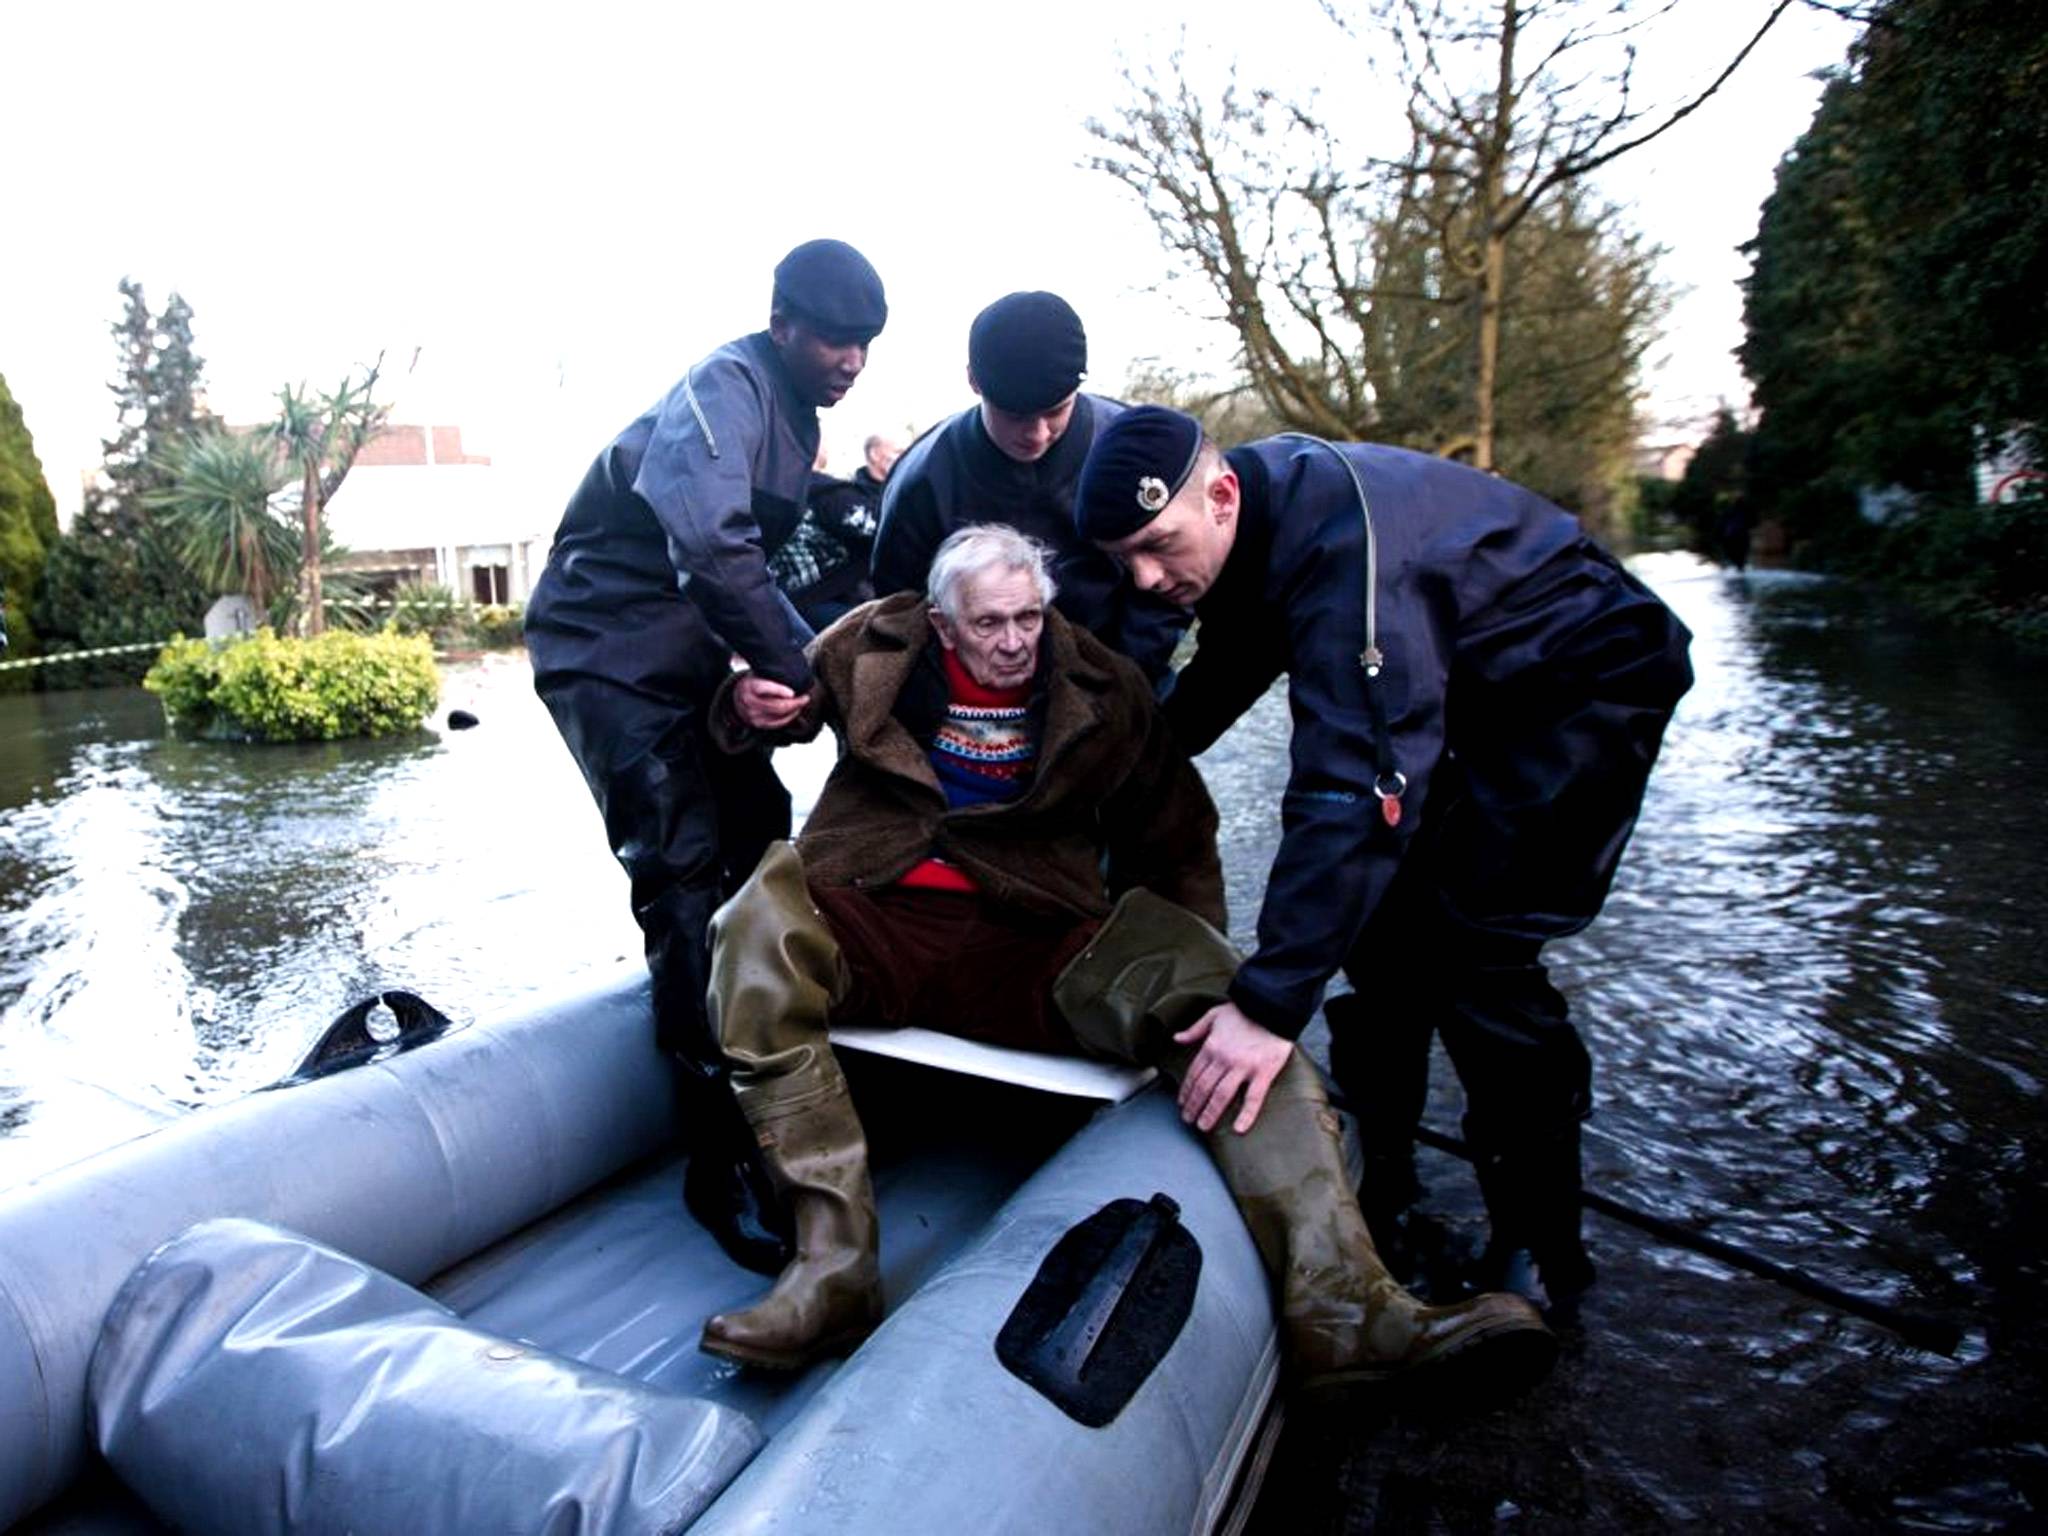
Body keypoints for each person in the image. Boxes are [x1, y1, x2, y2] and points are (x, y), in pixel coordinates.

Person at [694, 524, 1553, 1390]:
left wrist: (1195, 991)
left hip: (1033, 935)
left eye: (1029, 618)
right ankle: (832, 1270)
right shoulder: (870, 641)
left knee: (1229, 1000)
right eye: (989, 624)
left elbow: (1176, 838)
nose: (1013, 643)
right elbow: (776, 716)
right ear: (943, 624)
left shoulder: (1103, 685)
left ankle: (1344, 1306)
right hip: (874, 913)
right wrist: (745, 709)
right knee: (757, 918)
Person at [1075, 407, 1695, 1314]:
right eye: (1123, 559)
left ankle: (1542, 1249)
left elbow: (1347, 789)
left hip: (1579, 686)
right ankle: (1389, 1189)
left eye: (1160, 546)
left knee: (1478, 952)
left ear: (1221, 493)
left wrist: (1268, 1001)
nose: (1147, 578)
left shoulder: (1347, 559)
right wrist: (1104, 786)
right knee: (1382, 937)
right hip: (1461, 682)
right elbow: (1223, 675)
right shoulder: (1246, 533)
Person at [524, 238, 886, 1277]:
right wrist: (795, 672)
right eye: (833, 339)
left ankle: (787, 1080)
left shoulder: (801, 417)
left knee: (761, 841)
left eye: (864, 344)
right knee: (682, 877)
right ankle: (716, 1158)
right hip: (607, 657)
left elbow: (750, 575)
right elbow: (712, 547)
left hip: (689, 655)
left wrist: (752, 668)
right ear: (782, 325)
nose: (850, 360)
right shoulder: (724, 390)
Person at [870, 291, 1184, 684]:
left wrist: (1124, 675)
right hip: (972, 681)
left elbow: (1171, 580)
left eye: (1055, 411)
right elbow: (898, 612)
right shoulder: (922, 479)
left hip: (1122, 661)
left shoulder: (1134, 452)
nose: (1036, 435)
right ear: (974, 381)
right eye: (1015, 415)